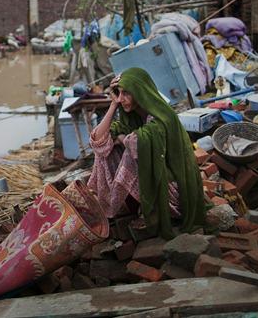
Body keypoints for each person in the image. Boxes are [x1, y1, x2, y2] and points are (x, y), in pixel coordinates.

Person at [87, 67, 205, 239]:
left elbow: (135, 144)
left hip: (173, 189)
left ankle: (135, 208)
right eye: (118, 93)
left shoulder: (163, 117)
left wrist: (123, 139)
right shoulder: (131, 117)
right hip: (152, 180)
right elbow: (97, 140)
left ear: (140, 91)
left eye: (126, 93)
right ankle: (126, 205)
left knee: (133, 150)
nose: (122, 99)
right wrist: (113, 104)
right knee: (106, 151)